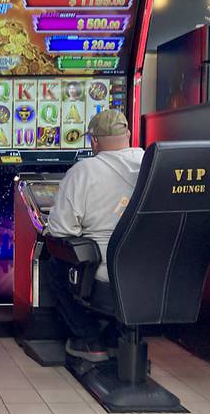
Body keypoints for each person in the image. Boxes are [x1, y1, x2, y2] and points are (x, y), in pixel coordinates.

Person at [46, 109, 144, 362]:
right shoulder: (152, 163)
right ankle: (115, 337)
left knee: (53, 262)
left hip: (105, 271)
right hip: (153, 271)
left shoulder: (84, 171)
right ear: (129, 134)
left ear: (94, 141)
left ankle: (90, 340)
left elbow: (60, 230)